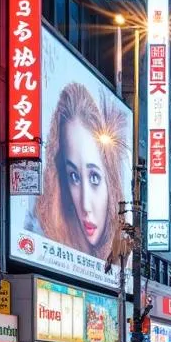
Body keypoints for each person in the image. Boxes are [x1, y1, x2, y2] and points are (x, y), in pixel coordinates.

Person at [35, 82, 127, 257]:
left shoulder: (123, 252)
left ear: (111, 182)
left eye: (94, 178)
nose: (85, 205)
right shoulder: (47, 238)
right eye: (74, 176)